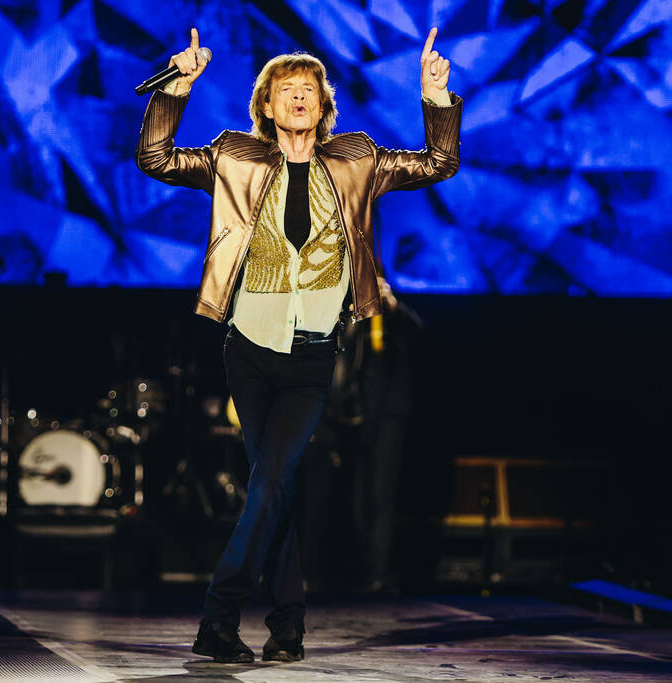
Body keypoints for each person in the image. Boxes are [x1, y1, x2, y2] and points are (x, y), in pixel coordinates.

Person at [136, 26, 462, 664]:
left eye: (308, 88)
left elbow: (436, 163)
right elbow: (155, 158)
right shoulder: (234, 156)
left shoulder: (357, 160)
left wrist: (436, 100)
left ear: (323, 104)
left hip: (313, 352)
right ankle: (288, 629)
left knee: (271, 483)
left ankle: (218, 619)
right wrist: (177, 88)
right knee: (273, 488)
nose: (298, 96)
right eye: (285, 89)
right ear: (265, 105)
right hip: (249, 347)